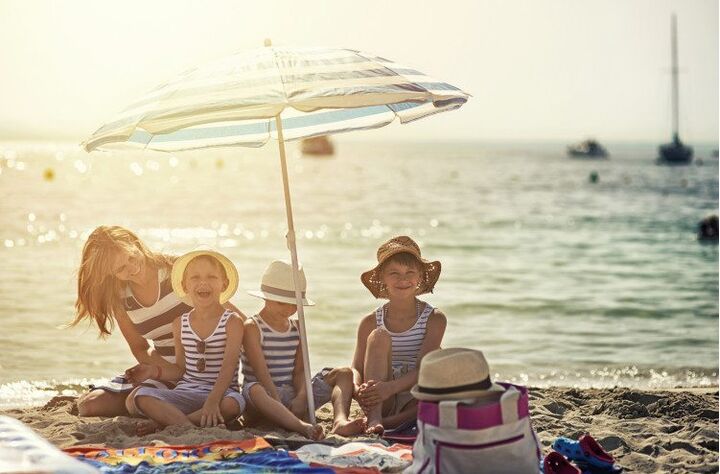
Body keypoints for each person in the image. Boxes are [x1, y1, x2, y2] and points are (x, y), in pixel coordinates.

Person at [71, 226, 243, 417]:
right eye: (121, 268)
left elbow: (238, 321)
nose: (132, 268)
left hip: (204, 369)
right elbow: (140, 347)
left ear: (135, 244)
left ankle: (179, 411)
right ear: (111, 273)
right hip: (164, 369)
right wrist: (163, 371)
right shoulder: (119, 297)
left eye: (131, 257)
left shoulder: (178, 270)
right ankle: (177, 406)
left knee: (134, 402)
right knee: (90, 405)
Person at [242, 260, 361, 440]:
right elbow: (261, 372)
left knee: (344, 373)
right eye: (282, 303)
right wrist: (278, 402)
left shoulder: (297, 326)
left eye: (294, 304)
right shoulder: (252, 326)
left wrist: (301, 397)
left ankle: (339, 421)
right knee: (254, 389)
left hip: (291, 394)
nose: (289, 309)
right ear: (265, 297)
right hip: (264, 396)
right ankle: (301, 426)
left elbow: (299, 370)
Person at [132, 249, 246, 430]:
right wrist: (153, 372)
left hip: (222, 394)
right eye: (195, 277)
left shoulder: (232, 322)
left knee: (234, 404)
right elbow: (180, 369)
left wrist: (212, 401)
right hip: (186, 393)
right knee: (142, 396)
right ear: (184, 285)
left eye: (211, 277)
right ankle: (190, 424)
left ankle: (171, 424)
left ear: (224, 284)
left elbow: (229, 367)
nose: (203, 283)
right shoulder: (179, 323)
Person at [353, 236, 447, 434]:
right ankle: (376, 417)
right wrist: (358, 388)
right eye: (393, 273)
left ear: (420, 276)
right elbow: (357, 367)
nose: (403, 279)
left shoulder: (434, 319)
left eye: (410, 272)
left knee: (438, 379)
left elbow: (424, 370)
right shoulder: (370, 321)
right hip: (380, 398)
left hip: (414, 396)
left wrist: (390, 387)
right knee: (379, 336)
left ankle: (386, 423)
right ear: (382, 278)